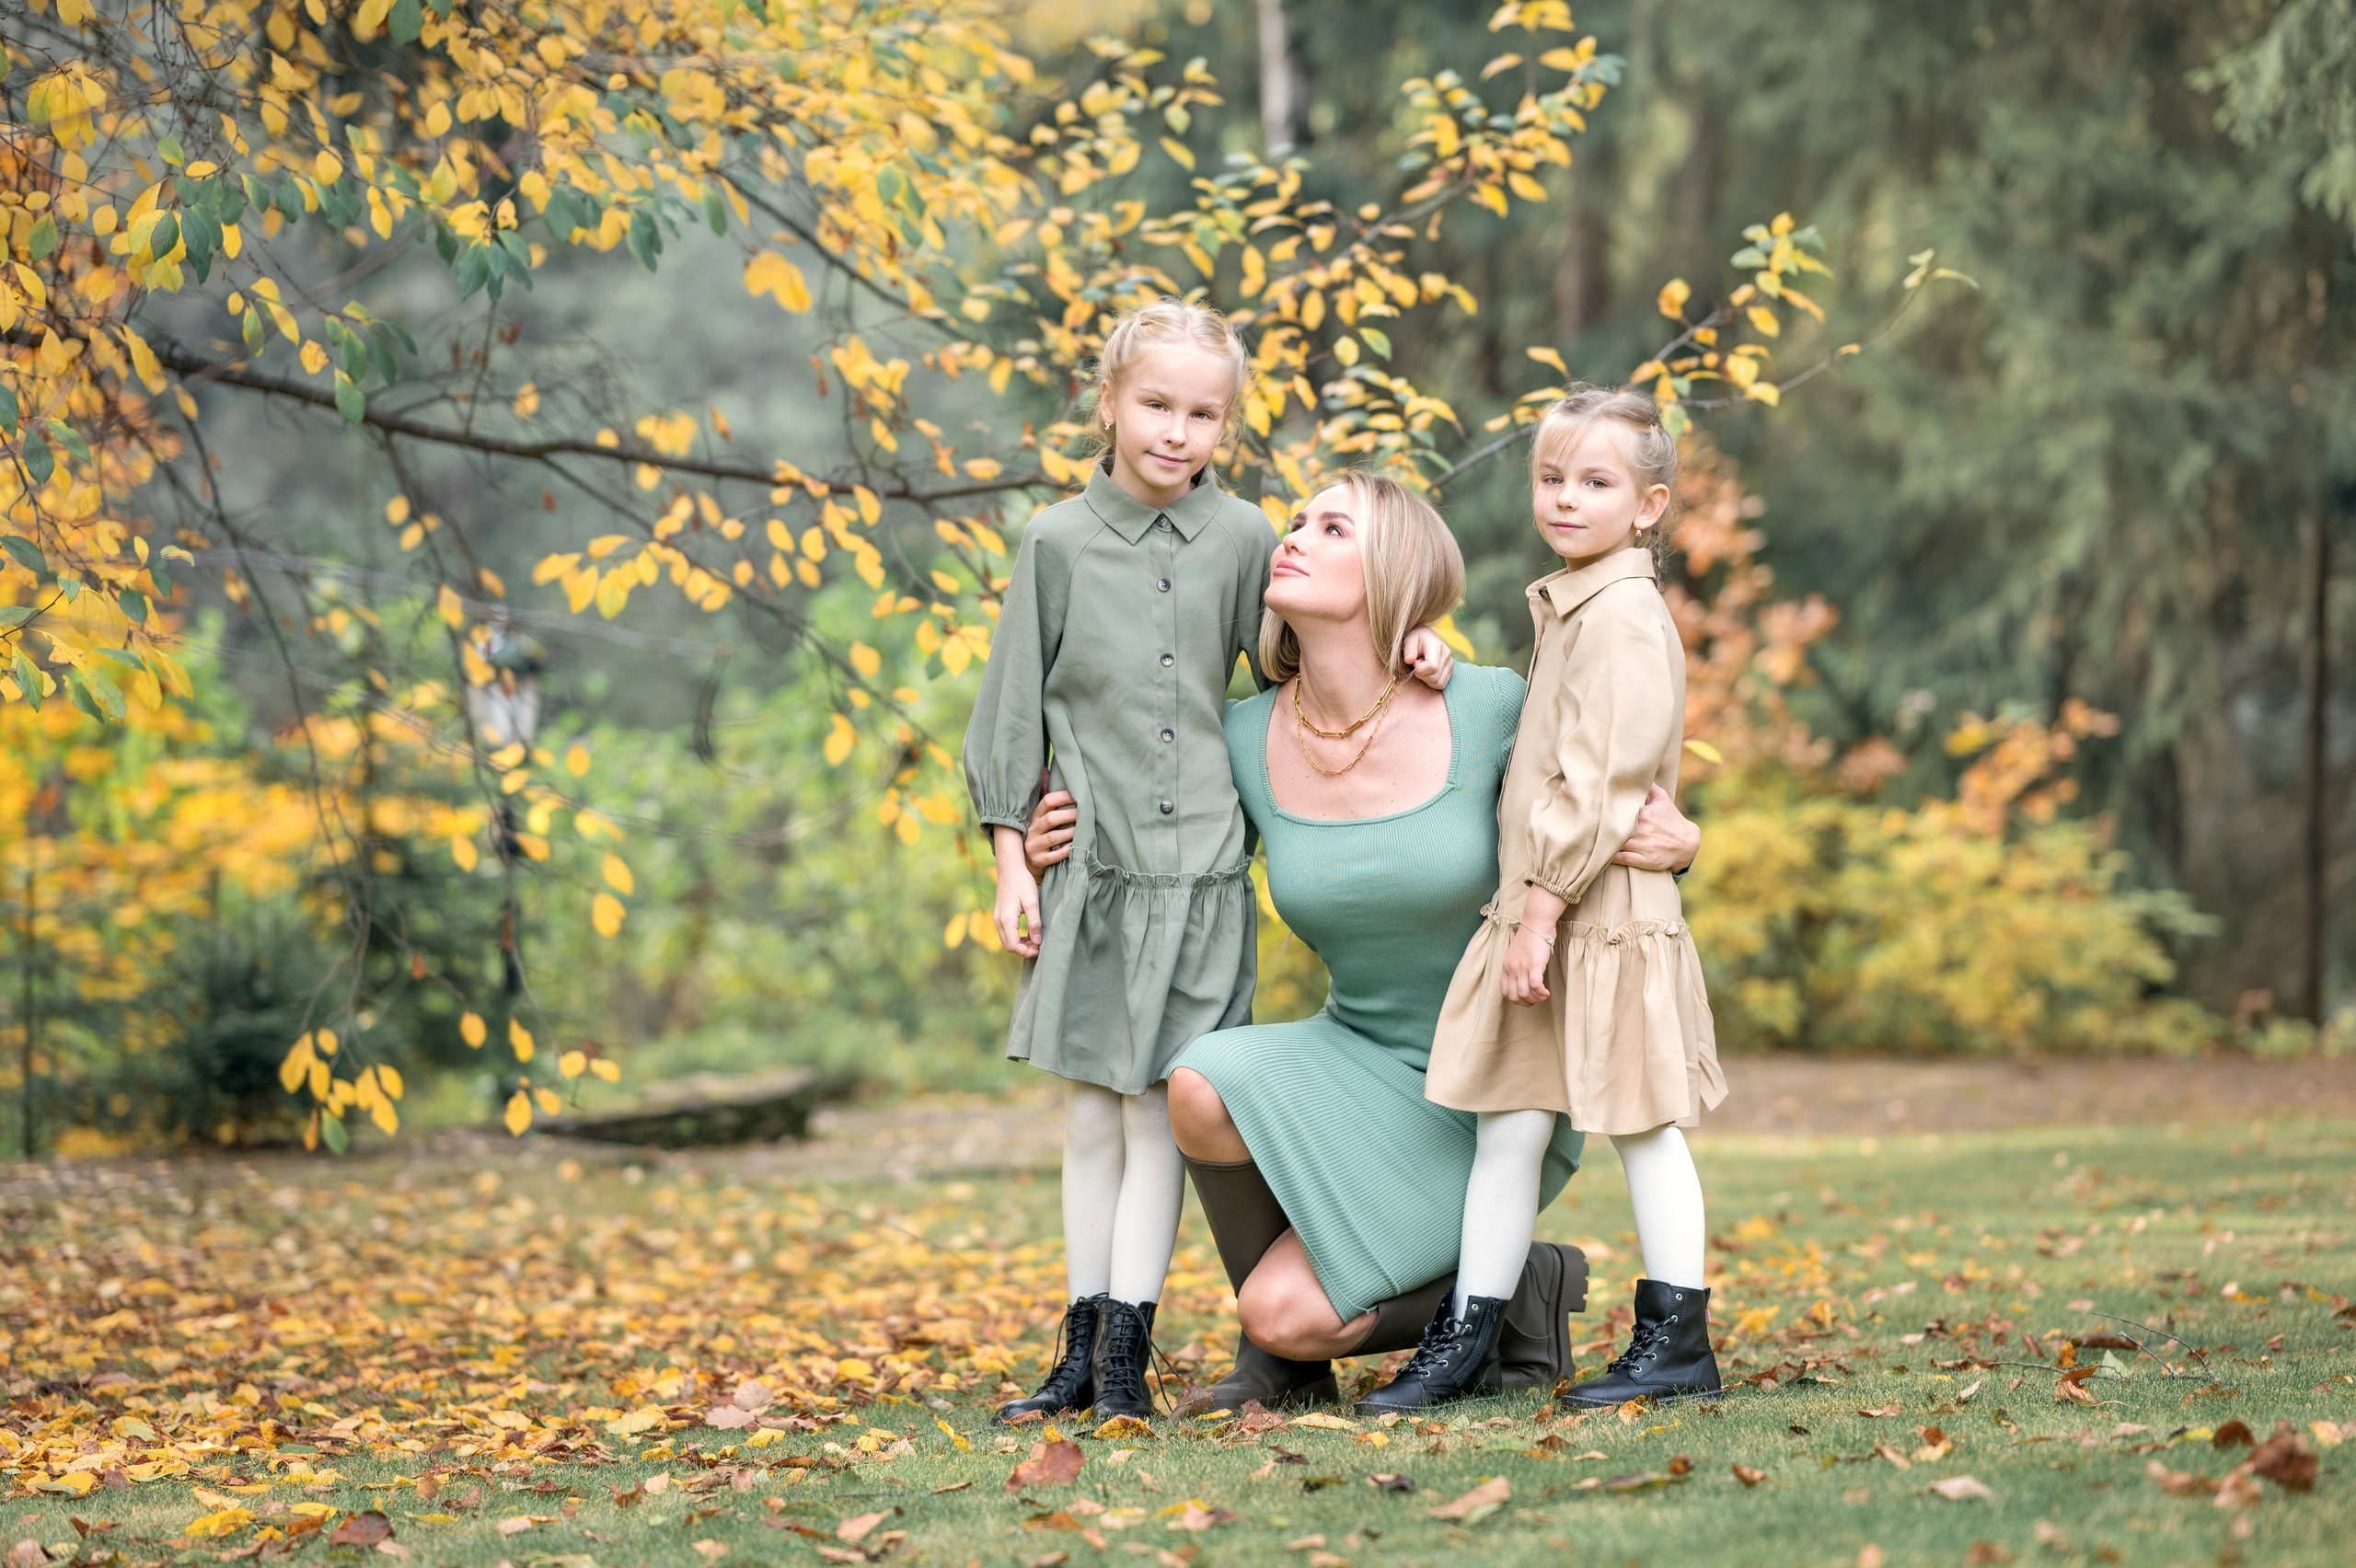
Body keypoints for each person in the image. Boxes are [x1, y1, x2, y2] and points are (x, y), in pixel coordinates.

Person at [1025, 470, 1700, 1411]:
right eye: (1296, 521)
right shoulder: (1243, 735)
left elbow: (1602, 804)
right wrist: (1045, 836)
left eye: (1330, 527)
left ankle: (1511, 1293)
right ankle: (1290, 1367)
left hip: (1493, 1079)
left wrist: (1686, 847)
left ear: (1392, 571)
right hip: (1353, 1053)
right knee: (1200, 1080)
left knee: (1289, 1309)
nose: (1292, 536)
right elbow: (1156, 832)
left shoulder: (1488, 705)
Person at [962, 301, 1457, 1424]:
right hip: (1091, 877)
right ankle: (1078, 1349)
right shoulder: (1054, 543)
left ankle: (1130, 1356)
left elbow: (1299, 660)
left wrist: (1414, 645)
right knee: (1092, 1116)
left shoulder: (1242, 538)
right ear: (1108, 404)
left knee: (1156, 1117)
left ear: (1224, 424)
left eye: (1203, 413)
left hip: (1200, 887)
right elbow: (1009, 713)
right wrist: (1012, 860)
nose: (1177, 432)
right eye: (1156, 406)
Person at [1389, 388, 1727, 1413]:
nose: (1565, 499)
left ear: (1648, 505)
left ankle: (1676, 1340)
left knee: (1643, 1123)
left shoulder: (1620, 615)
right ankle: (1465, 1337)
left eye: (1595, 482)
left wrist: (1539, 911)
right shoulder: (1576, 605)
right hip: (1548, 903)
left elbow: (1599, 782)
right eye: (1549, 478)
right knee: (1509, 1123)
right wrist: (1445, 668)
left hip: (1597, 912)